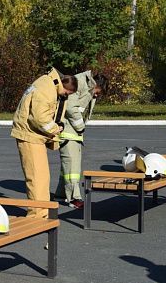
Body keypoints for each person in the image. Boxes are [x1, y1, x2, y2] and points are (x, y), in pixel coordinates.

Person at [11, 68, 78, 218]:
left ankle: (41, 211)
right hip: (29, 136)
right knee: (36, 177)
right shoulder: (46, 89)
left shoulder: (48, 83)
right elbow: (39, 118)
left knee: (41, 177)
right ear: (65, 87)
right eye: (67, 94)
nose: (66, 96)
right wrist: (56, 129)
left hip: (33, 135)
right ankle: (37, 214)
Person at [55, 70, 109, 209]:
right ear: (96, 84)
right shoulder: (80, 83)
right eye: (98, 92)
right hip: (69, 131)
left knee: (67, 166)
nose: (97, 95)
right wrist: (80, 127)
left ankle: (61, 193)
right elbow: (71, 108)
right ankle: (74, 198)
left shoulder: (88, 86)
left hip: (72, 132)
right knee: (73, 167)